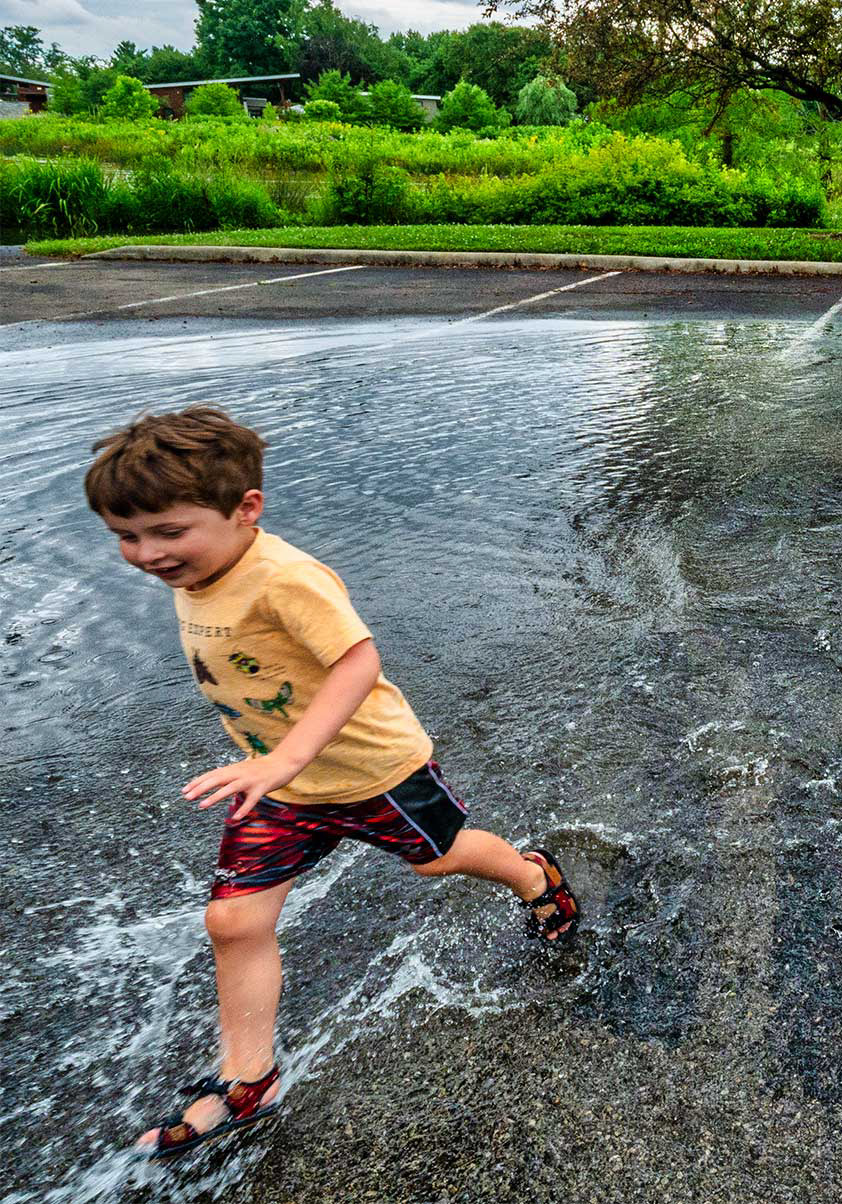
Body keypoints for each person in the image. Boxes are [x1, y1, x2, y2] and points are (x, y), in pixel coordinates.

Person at [84, 407, 582, 1160]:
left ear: (246, 510)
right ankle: (249, 1078)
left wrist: (283, 758)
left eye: (168, 532)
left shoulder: (283, 577)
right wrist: (278, 769)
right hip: (278, 789)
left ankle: (531, 874)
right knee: (233, 923)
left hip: (373, 771)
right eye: (128, 536)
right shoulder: (202, 564)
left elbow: (358, 663)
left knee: (440, 857)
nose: (148, 554)